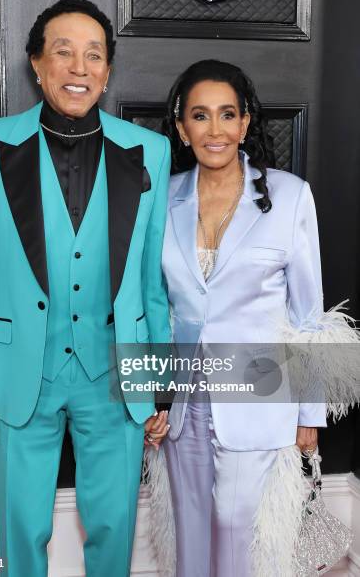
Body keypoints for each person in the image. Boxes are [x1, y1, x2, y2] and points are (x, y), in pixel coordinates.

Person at [0, 0, 171, 577]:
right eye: (64, 52)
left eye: (94, 55)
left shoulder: (149, 150)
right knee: (21, 532)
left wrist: (160, 387)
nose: (80, 68)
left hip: (116, 379)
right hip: (20, 375)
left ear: (108, 71)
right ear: (36, 65)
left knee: (113, 528)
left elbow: (152, 286)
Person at [160, 59, 329, 576]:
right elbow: (148, 304)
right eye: (201, 116)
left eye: (227, 114)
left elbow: (309, 314)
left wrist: (309, 414)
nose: (215, 130)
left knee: (238, 533)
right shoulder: (159, 198)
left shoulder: (291, 195)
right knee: (188, 529)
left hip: (260, 395)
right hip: (182, 400)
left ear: (246, 122)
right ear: (182, 126)